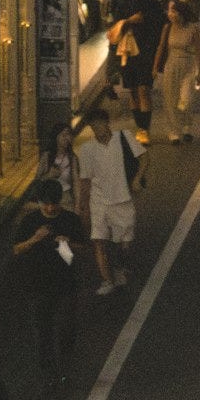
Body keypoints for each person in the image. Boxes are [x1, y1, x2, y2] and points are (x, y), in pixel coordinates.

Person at [12, 179, 86, 391]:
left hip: (65, 283)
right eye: (46, 204)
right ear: (39, 202)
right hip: (38, 285)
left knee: (66, 327)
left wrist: (67, 243)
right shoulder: (30, 221)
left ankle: (64, 364)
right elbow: (16, 249)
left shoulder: (70, 220)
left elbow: (83, 248)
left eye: (54, 203)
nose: (51, 208)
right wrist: (35, 239)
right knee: (43, 330)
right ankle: (48, 373)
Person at [77, 109, 147, 296]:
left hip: (123, 199)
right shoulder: (87, 149)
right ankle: (107, 280)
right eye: (93, 126)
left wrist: (137, 178)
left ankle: (119, 266)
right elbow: (85, 180)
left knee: (124, 242)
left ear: (106, 123)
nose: (97, 129)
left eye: (99, 124)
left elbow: (143, 157)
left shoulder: (124, 138)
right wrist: (83, 206)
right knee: (98, 240)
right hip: (99, 201)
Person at [111, 0, 165, 144]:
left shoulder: (153, 5)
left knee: (144, 89)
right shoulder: (123, 4)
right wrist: (129, 21)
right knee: (133, 91)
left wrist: (156, 57)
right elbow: (115, 28)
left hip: (146, 53)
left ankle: (144, 129)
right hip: (126, 53)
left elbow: (160, 30)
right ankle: (140, 127)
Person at [154, 0, 200, 145]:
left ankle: (186, 125)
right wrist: (155, 67)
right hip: (171, 66)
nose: (171, 15)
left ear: (182, 14)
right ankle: (174, 132)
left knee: (185, 99)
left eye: (174, 12)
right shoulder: (167, 28)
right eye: (171, 12)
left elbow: (198, 52)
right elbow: (161, 47)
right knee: (171, 100)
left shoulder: (193, 29)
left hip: (188, 66)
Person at [98, 0, 136, 99]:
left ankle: (110, 82)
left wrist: (106, 22)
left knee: (114, 52)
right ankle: (134, 83)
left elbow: (103, 1)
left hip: (117, 23)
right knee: (136, 50)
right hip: (135, 22)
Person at [36, 122, 80, 208]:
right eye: (63, 135)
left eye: (69, 135)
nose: (67, 138)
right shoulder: (47, 156)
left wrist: (77, 204)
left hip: (66, 199)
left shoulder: (72, 158)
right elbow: (37, 180)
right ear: (56, 137)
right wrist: (48, 175)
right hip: (48, 201)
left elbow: (76, 182)